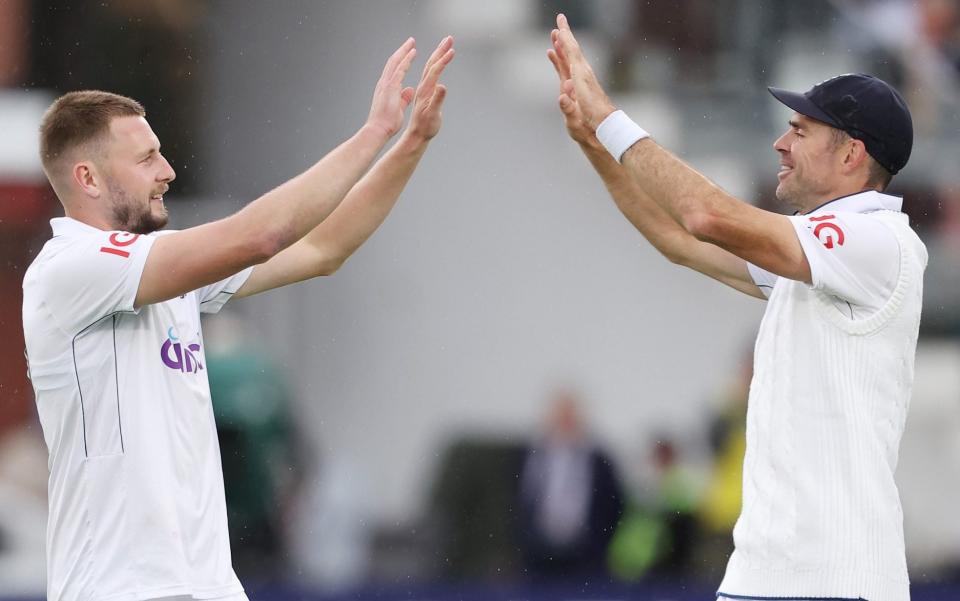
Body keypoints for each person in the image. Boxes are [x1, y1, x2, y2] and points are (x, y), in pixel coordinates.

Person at [21, 35, 454, 601]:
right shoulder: (70, 269)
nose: (168, 170)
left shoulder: (160, 273)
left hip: (207, 586)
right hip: (119, 589)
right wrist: (373, 133)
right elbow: (261, 235)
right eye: (147, 157)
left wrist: (411, 143)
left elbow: (323, 249)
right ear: (88, 179)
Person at [548, 13, 925, 601]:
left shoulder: (879, 243)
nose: (781, 142)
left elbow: (706, 217)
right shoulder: (818, 253)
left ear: (852, 153)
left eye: (801, 131)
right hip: (762, 576)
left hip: (836, 581)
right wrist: (594, 145)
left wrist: (607, 116)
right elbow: (681, 240)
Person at [517, 387, 624, 579]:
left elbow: (614, 506)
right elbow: (521, 501)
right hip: (538, 554)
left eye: (570, 414)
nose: (565, 421)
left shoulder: (599, 460)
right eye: (560, 414)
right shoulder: (530, 456)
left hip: (586, 555)